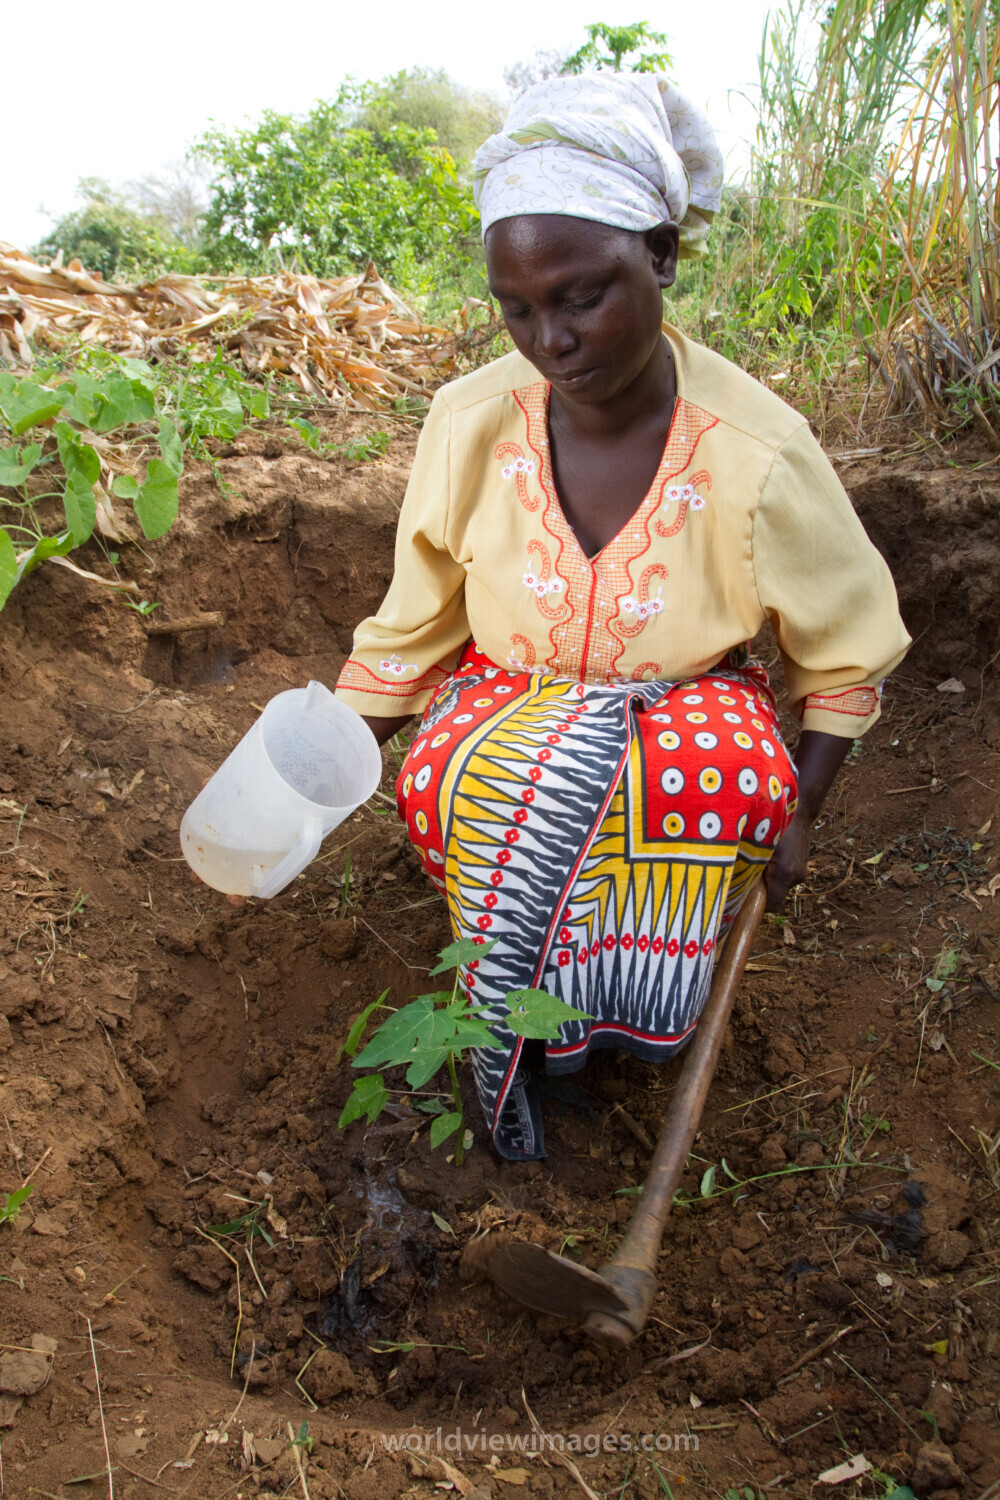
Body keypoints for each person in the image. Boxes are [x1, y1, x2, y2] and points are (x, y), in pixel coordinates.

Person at [333, 74, 910, 1160]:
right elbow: (412, 625)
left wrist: (803, 814)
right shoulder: (468, 423)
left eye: (581, 295)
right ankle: (518, 1041)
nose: (548, 337)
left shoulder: (756, 447)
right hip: (512, 695)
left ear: (660, 257)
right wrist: (321, 765)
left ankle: (620, 1030)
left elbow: (841, 651)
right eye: (516, 306)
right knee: (474, 776)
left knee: (705, 779)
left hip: (686, 701)